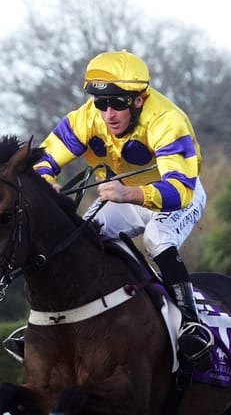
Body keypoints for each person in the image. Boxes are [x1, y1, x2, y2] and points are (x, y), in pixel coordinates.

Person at [26, 49, 214, 370]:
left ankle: (191, 324)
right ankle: (57, 322)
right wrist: (46, 181)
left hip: (177, 196)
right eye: (101, 103)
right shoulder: (86, 118)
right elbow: (42, 159)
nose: (108, 113)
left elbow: (180, 189)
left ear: (139, 100)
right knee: (82, 240)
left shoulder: (168, 121)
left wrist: (129, 193)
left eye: (118, 103)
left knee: (157, 238)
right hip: (125, 198)